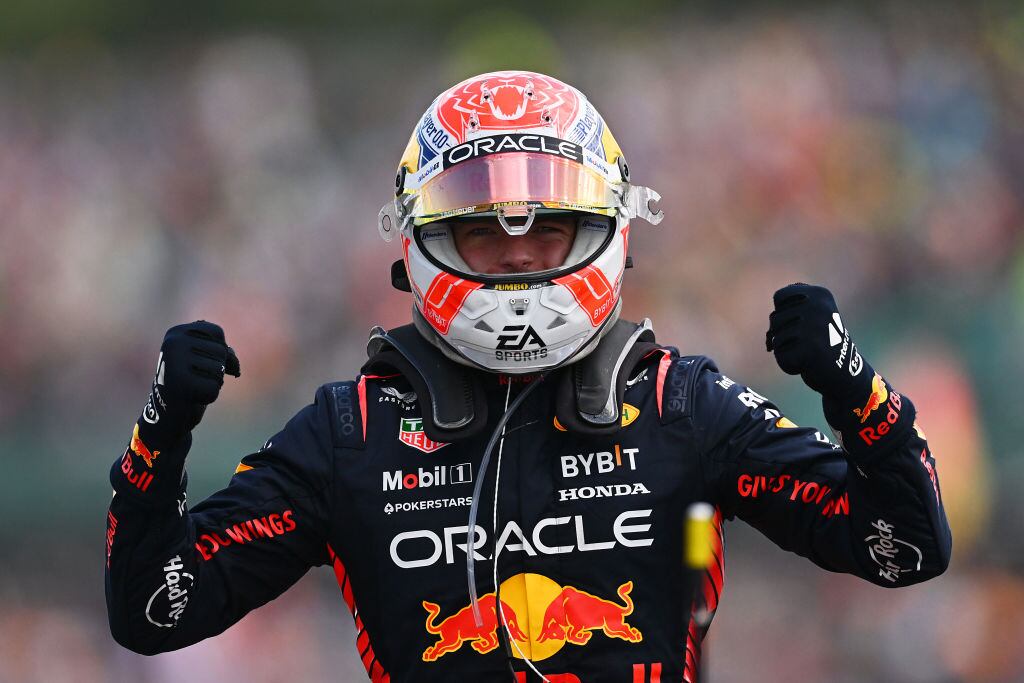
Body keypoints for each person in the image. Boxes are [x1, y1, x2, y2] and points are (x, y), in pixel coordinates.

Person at [105, 71, 951, 683]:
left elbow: (905, 549)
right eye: (483, 234)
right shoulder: (350, 432)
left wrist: (853, 389)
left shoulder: (678, 404)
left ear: (607, 228)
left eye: (547, 230)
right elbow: (155, 613)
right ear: (421, 242)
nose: (516, 253)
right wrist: (162, 435)